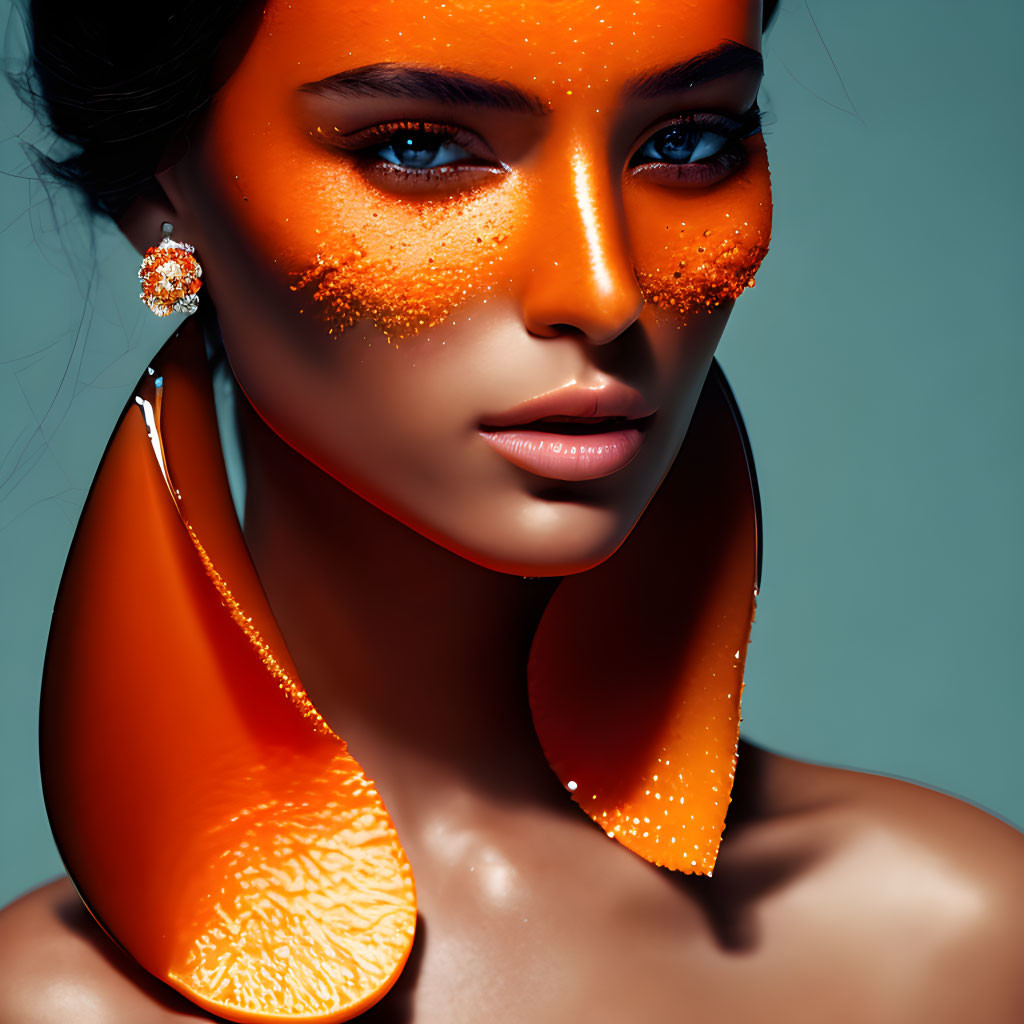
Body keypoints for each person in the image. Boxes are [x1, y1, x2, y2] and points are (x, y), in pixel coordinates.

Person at [1, 0, 1022, 1021]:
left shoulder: (951, 936)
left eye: (686, 141)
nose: (603, 288)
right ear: (155, 185)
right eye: (419, 148)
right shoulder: (48, 1005)